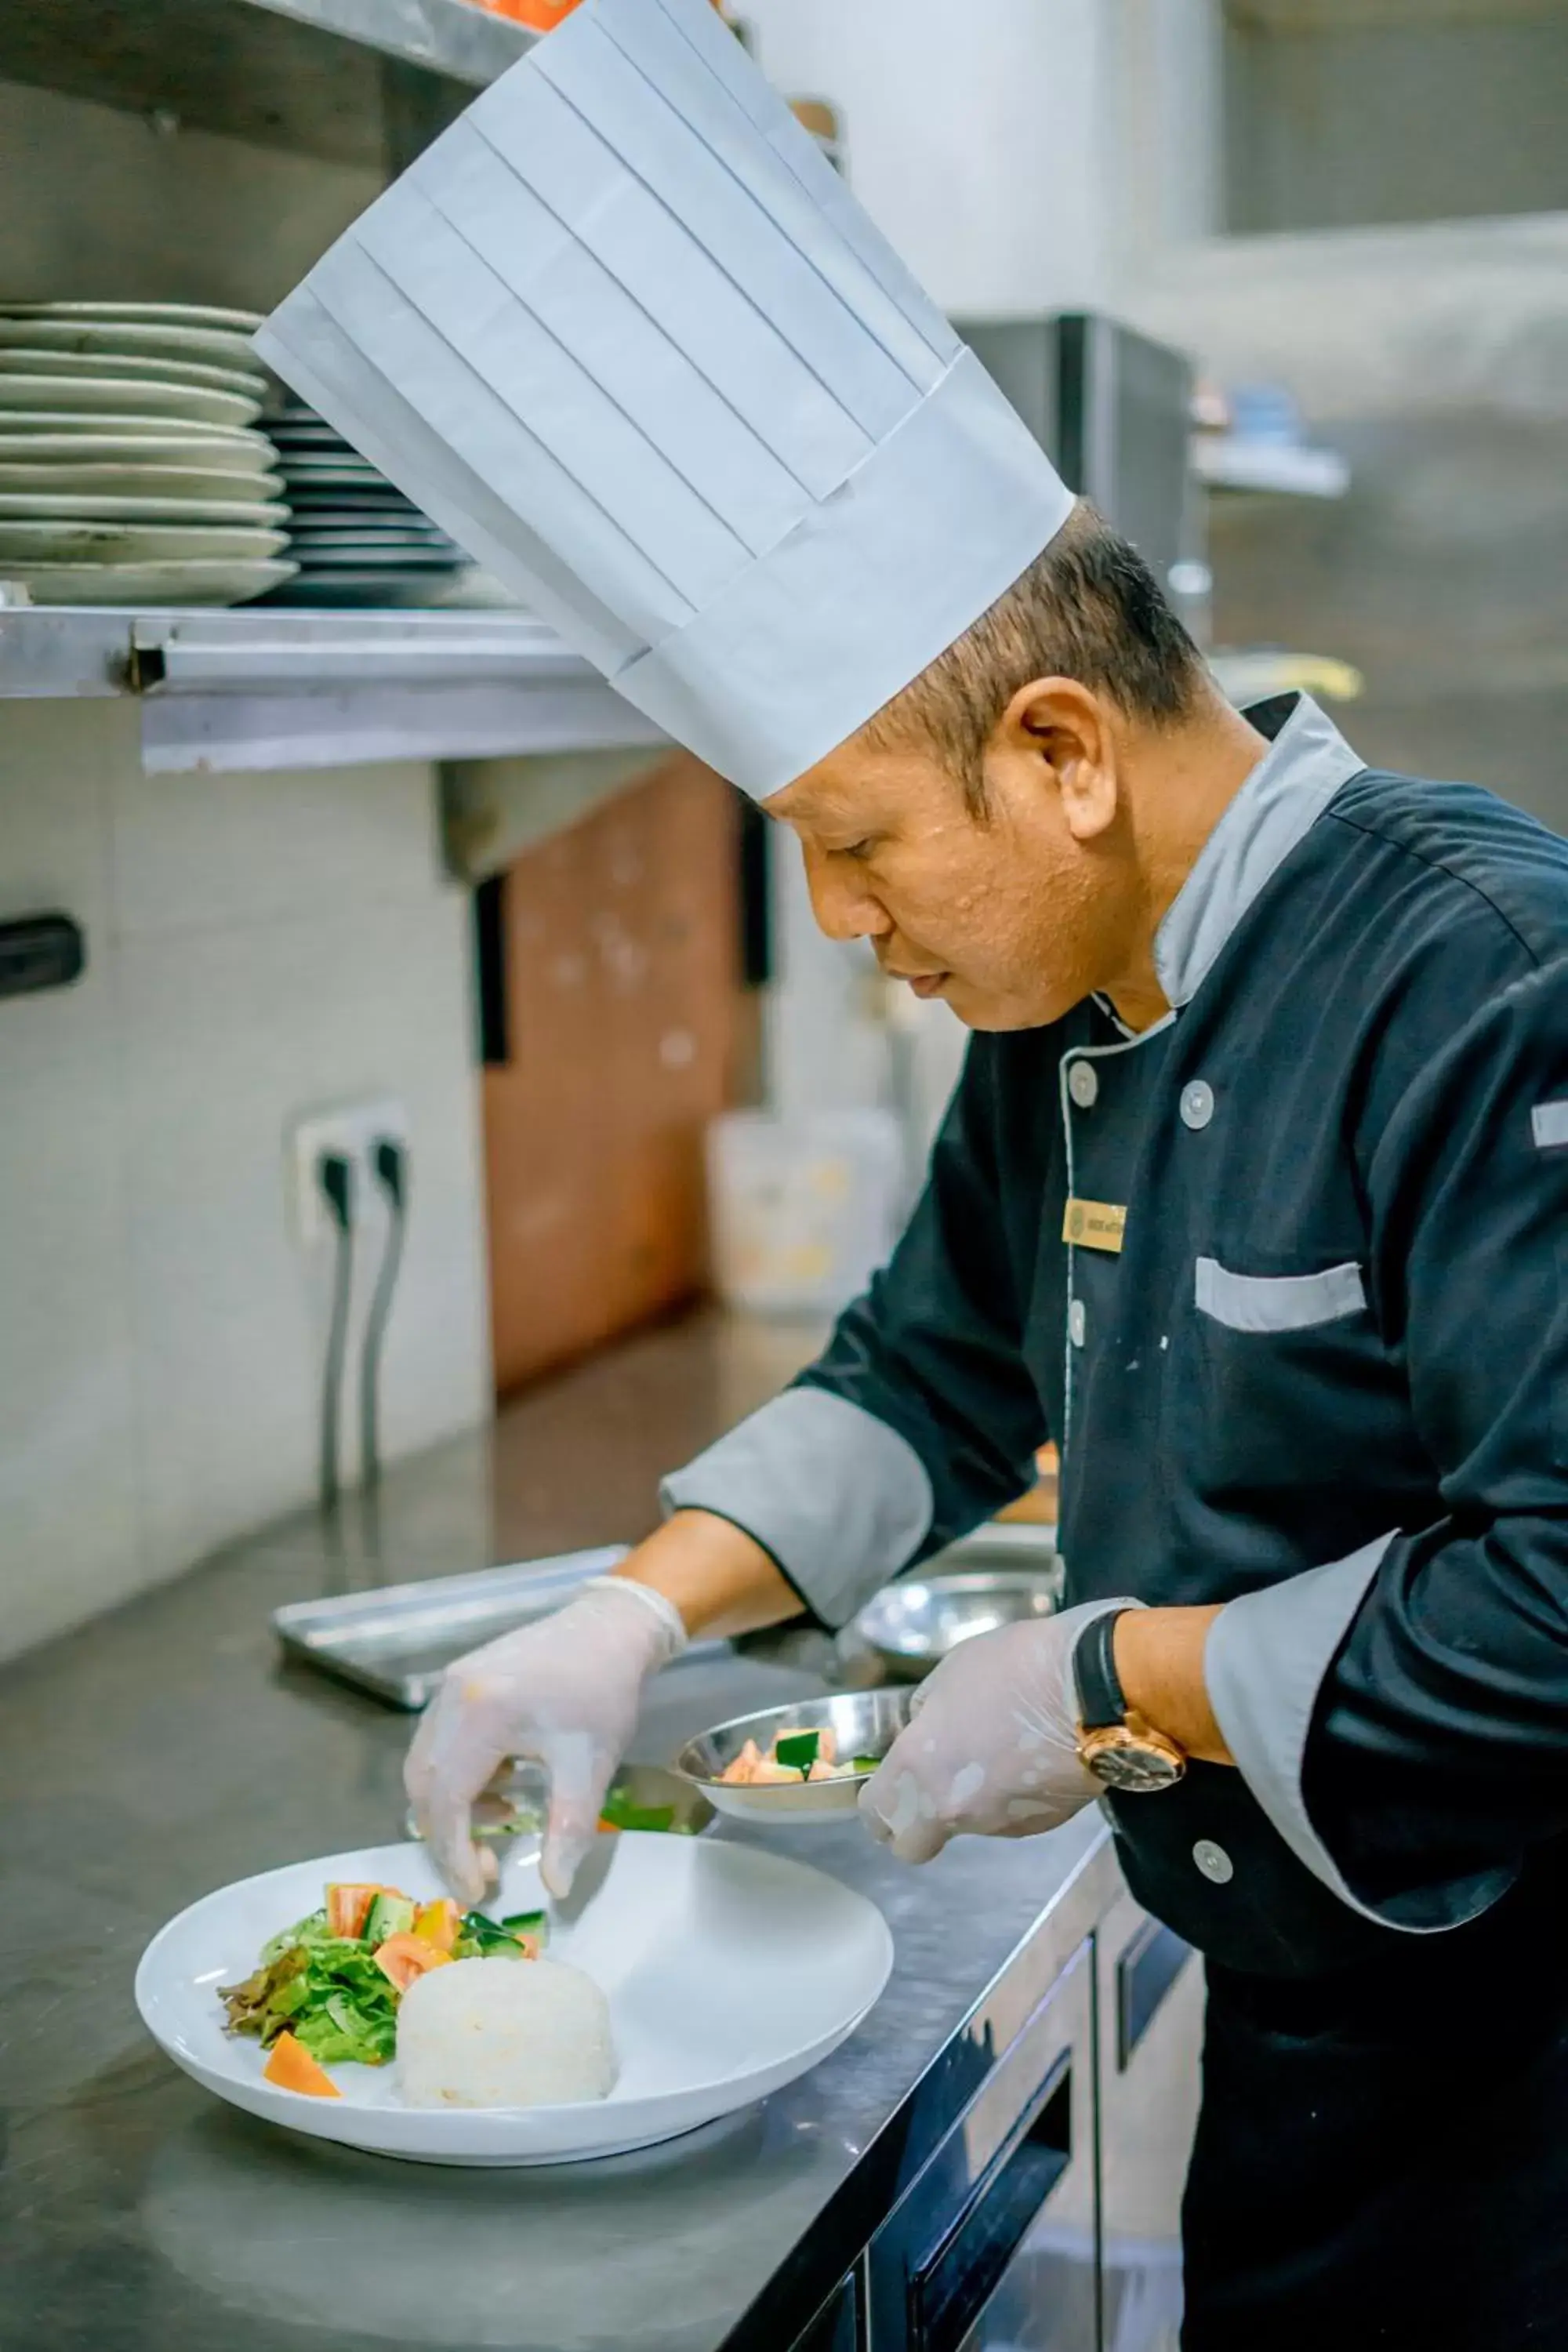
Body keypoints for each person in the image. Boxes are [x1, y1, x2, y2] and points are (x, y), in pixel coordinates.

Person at [263, 4, 1568, 2342]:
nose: (850, 928)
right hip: (1316, 2032)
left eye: (860, 846)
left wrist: (1115, 1677)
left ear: (1062, 753)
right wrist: (625, 1618)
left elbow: (1559, 1595)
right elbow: (934, 1368)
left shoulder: (1479, 974)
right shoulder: (1075, 999)